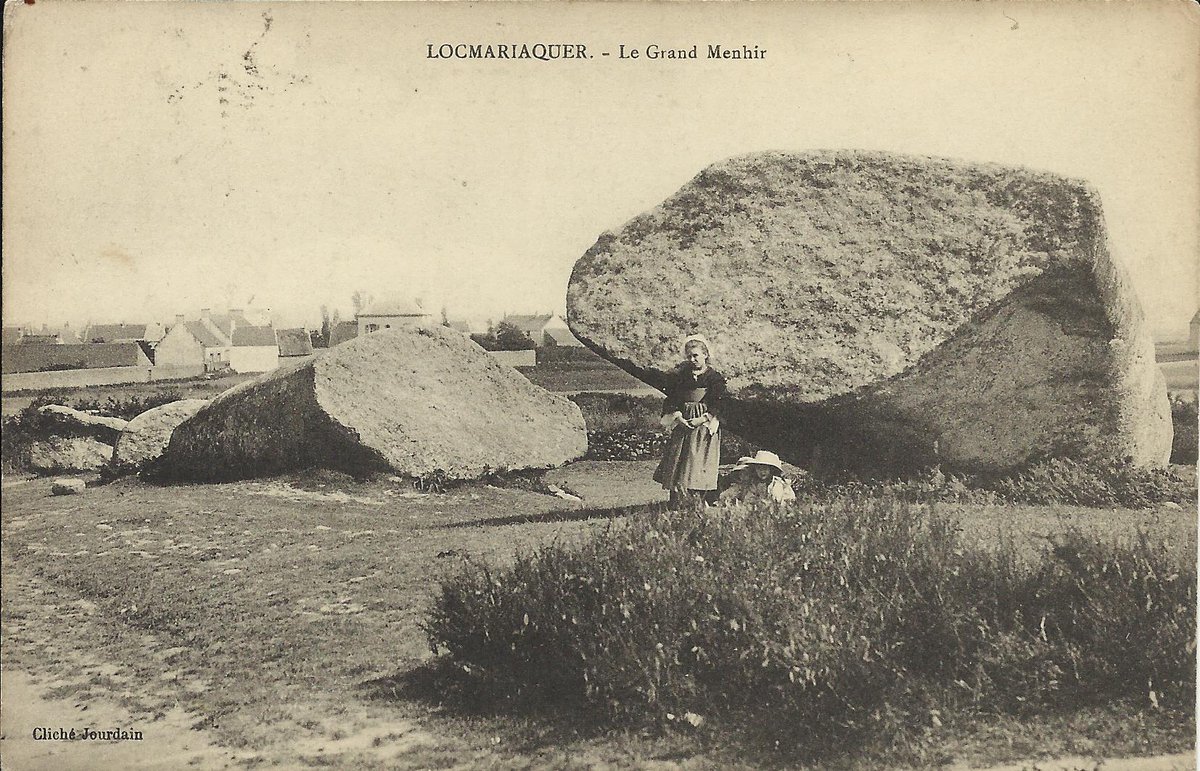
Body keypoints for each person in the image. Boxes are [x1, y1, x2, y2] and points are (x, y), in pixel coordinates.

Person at [653, 334, 726, 506]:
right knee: (679, 457)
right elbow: (672, 399)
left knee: (699, 459)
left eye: (696, 355)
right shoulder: (681, 377)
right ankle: (677, 499)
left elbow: (718, 402)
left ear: (705, 355)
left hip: (703, 424)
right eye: (689, 356)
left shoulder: (714, 378)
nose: (692, 359)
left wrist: (701, 419)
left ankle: (699, 499)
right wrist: (678, 416)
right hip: (684, 421)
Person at [718, 450, 797, 505]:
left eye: (765, 469)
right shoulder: (753, 485)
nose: (762, 472)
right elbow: (748, 500)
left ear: (771, 470)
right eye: (759, 468)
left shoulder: (777, 484)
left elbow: (784, 501)